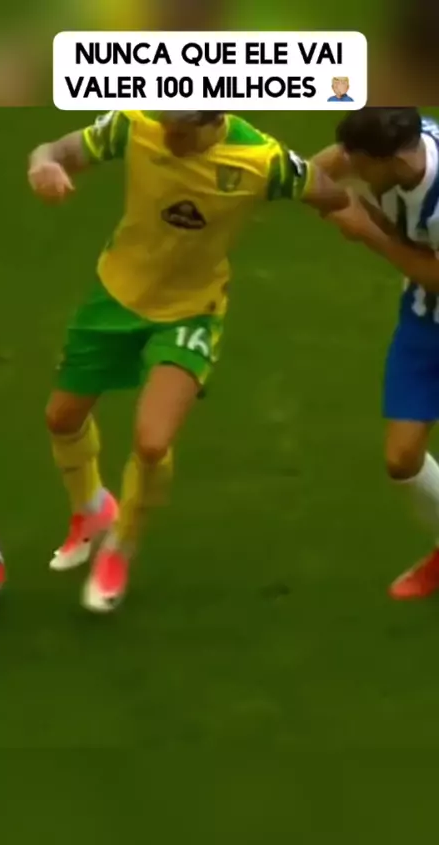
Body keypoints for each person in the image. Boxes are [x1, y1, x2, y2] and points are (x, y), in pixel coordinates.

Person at [28, 109, 350, 614]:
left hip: (191, 312)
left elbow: (329, 191)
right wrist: (44, 165)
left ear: (211, 120)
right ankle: (92, 509)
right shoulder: (133, 122)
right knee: (61, 418)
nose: (169, 138)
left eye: (179, 132)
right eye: (165, 125)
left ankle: (120, 548)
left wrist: (371, 224)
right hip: (115, 296)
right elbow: (58, 149)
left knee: (152, 442)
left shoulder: (260, 158)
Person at [312, 107, 439, 600]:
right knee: (402, 458)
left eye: (360, 163)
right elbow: (329, 165)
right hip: (425, 323)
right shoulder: (400, 139)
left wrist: (367, 229)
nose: (353, 169)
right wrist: (296, 182)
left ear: (392, 160)